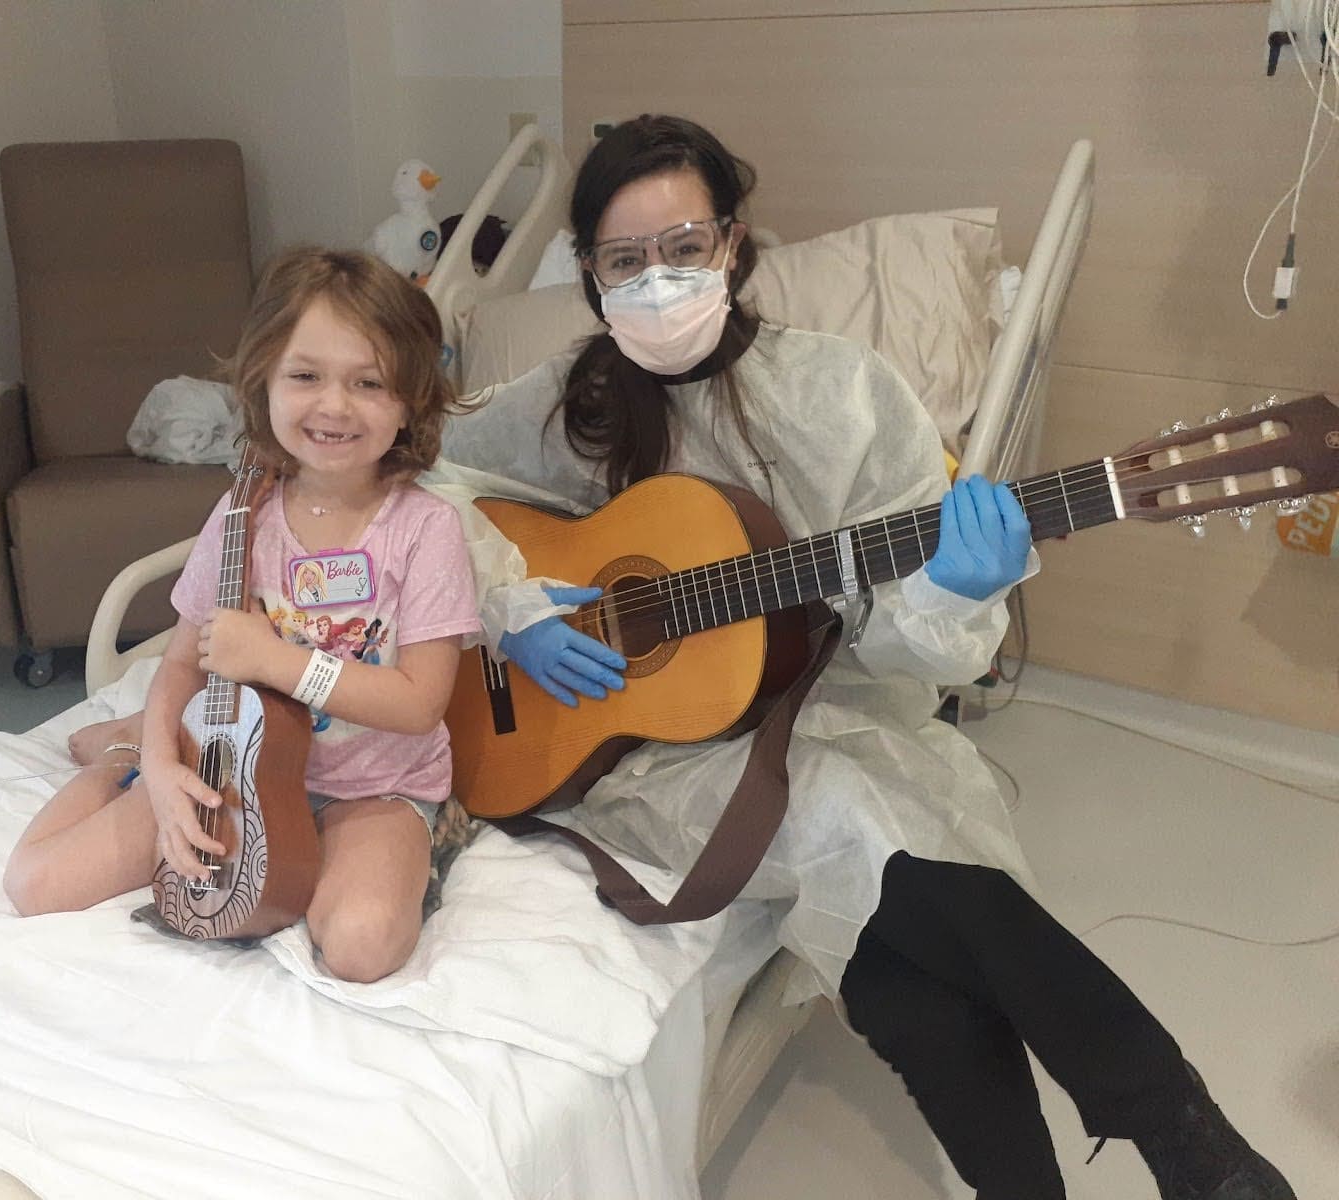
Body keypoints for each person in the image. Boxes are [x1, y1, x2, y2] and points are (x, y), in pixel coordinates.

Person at [436, 115, 1293, 1200]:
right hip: (652, 761)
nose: (657, 280)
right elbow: (418, 486)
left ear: (734, 243)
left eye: (684, 247)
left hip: (839, 708)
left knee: (902, 965)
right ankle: (1187, 1135)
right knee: (860, 828)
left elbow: (904, 668)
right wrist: (512, 608)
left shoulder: (843, 392)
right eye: (624, 261)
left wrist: (949, 589)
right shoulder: (569, 403)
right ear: (590, 275)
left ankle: (1131, 1152)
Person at [3, 247, 483, 984]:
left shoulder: (426, 530)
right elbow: (180, 663)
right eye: (305, 375)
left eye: (370, 382)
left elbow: (420, 704)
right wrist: (162, 773)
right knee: (37, 888)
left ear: (412, 400)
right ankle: (122, 754)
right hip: (231, 773)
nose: (333, 405)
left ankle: (420, 836)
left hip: (371, 786)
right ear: (263, 382)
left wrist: (276, 660)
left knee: (359, 946)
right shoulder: (241, 515)